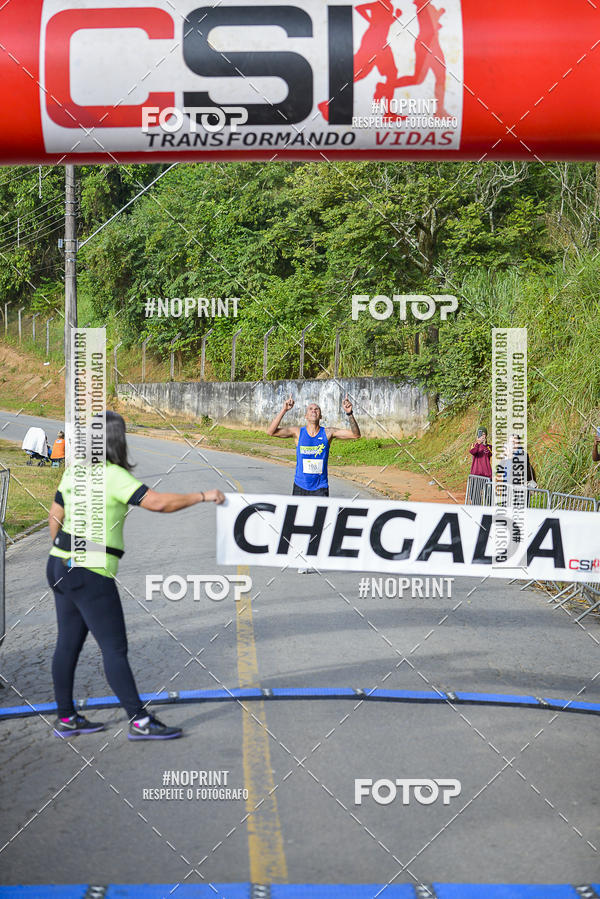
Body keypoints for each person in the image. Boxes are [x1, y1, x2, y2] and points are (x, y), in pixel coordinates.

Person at [47, 411, 225, 741]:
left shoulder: (75, 472)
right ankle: (139, 721)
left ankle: (66, 717)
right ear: (118, 440)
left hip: (59, 564)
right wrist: (202, 496)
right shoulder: (112, 476)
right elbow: (156, 503)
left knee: (67, 644)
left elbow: (55, 516)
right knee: (114, 649)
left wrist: (67, 550)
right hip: (90, 572)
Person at [266, 394, 361, 497]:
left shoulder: (328, 433)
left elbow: (356, 435)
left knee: (320, 514)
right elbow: (271, 432)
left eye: (317, 409)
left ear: (320, 416)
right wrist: (284, 410)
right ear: (306, 416)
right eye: (310, 409)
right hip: (300, 486)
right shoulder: (298, 432)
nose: (313, 411)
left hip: (320, 488)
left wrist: (349, 413)